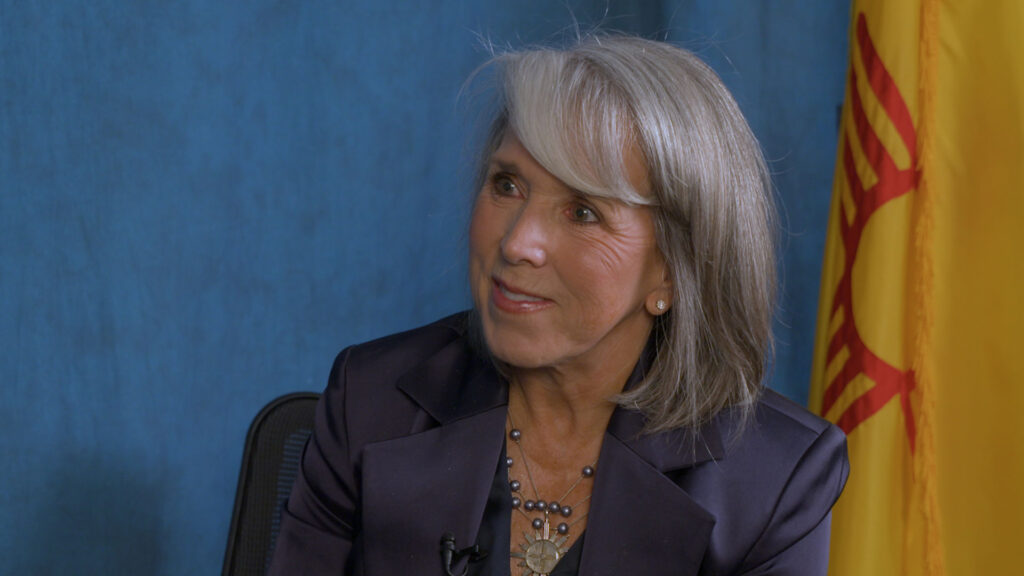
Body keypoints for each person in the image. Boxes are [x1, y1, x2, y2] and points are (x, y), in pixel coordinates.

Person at [269, 34, 848, 576]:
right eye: (507, 185)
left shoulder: (776, 480)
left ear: (674, 267)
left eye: (583, 212)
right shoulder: (370, 401)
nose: (517, 242)